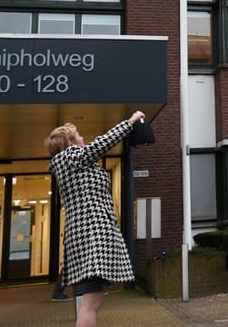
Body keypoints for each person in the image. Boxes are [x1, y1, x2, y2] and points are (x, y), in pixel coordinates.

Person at [45, 111, 144, 327]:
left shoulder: (70, 163)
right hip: (92, 233)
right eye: (78, 135)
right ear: (69, 143)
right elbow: (100, 145)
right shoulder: (70, 157)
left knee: (93, 299)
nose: (83, 138)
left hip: (86, 233)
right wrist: (129, 123)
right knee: (91, 302)